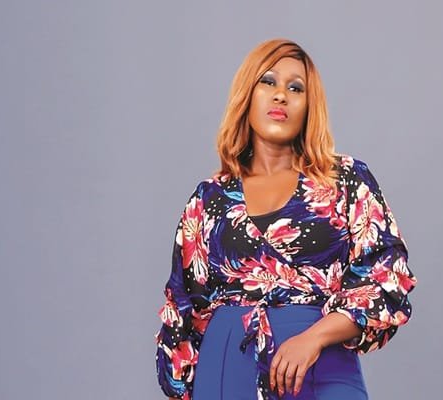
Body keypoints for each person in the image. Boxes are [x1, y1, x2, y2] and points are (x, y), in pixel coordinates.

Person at [155, 38, 417, 400]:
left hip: (320, 368)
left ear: (309, 106)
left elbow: (387, 278)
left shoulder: (344, 180)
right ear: (248, 95)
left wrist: (314, 338)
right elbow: (183, 313)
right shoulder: (209, 199)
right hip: (226, 370)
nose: (281, 95)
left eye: (296, 88)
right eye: (268, 82)